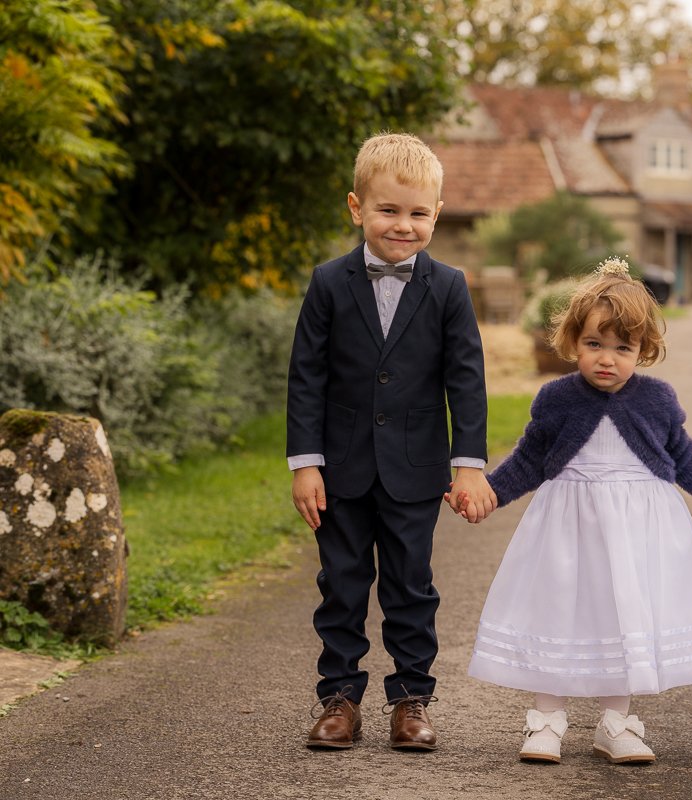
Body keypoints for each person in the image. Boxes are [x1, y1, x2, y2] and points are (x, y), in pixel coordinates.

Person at [451, 258, 692, 765]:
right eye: (594, 344)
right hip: (567, 526)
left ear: (643, 350)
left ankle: (615, 722)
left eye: (623, 348)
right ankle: (546, 719)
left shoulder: (657, 399)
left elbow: (683, 457)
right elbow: (529, 459)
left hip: (636, 530)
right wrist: (488, 494)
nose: (607, 359)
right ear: (573, 342)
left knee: (624, 614)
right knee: (557, 610)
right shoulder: (556, 398)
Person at [287, 131, 495, 751]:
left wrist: (468, 465)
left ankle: (410, 699)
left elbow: (467, 378)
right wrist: (306, 464)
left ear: (437, 213)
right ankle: (339, 699)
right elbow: (306, 376)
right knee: (341, 584)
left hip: (416, 467)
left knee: (410, 585)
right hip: (340, 467)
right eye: (388, 210)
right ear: (357, 208)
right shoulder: (329, 282)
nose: (403, 226)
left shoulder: (449, 286)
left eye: (418, 213)